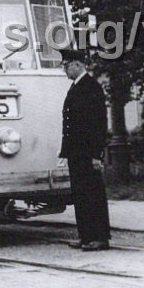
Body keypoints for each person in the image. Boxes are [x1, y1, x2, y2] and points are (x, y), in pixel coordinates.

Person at [59, 49, 110, 251]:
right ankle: (86, 236)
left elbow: (98, 124)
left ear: (78, 65)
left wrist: (97, 155)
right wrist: (65, 149)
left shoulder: (91, 87)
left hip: (88, 153)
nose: (64, 70)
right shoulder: (76, 87)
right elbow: (71, 123)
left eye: (66, 65)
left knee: (93, 194)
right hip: (76, 152)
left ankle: (99, 237)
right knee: (80, 194)